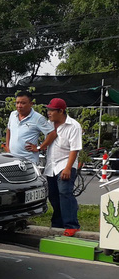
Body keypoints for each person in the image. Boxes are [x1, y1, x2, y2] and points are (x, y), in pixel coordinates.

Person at [42, 98, 82, 237]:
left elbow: (75, 149)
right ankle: (57, 223)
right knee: (53, 196)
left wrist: (67, 168)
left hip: (65, 165)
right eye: (49, 110)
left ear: (61, 111)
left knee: (65, 193)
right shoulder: (49, 125)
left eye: (52, 110)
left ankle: (72, 225)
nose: (49, 113)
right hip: (51, 166)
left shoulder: (73, 126)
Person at [7, 91, 57, 164]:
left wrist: (39, 148)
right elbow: (9, 130)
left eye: (23, 103)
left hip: (28, 161)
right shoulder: (13, 115)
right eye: (17, 103)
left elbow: (52, 134)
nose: (19, 106)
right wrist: (7, 147)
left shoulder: (38, 118)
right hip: (12, 159)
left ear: (31, 104)